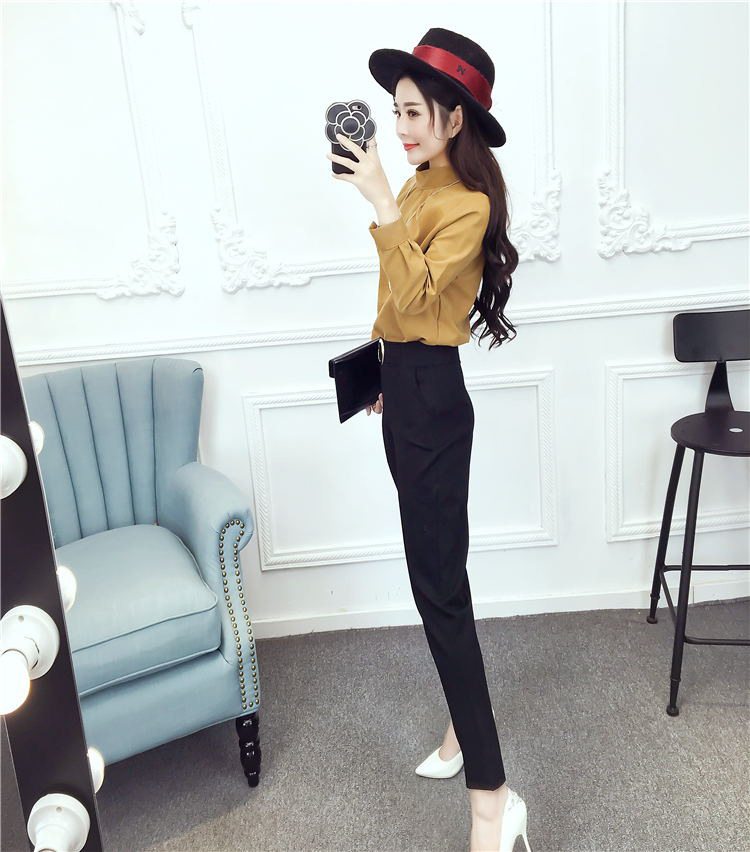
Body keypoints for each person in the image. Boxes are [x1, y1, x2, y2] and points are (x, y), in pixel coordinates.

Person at [326, 27, 528, 852]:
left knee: (437, 590)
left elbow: (421, 299)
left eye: (413, 113)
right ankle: (459, 726)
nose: (399, 127)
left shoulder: (465, 205)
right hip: (404, 391)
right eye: (397, 112)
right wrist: (382, 371)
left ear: (453, 118)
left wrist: (379, 199)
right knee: (438, 582)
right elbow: (400, 305)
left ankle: (494, 800)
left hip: (436, 402)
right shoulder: (416, 188)